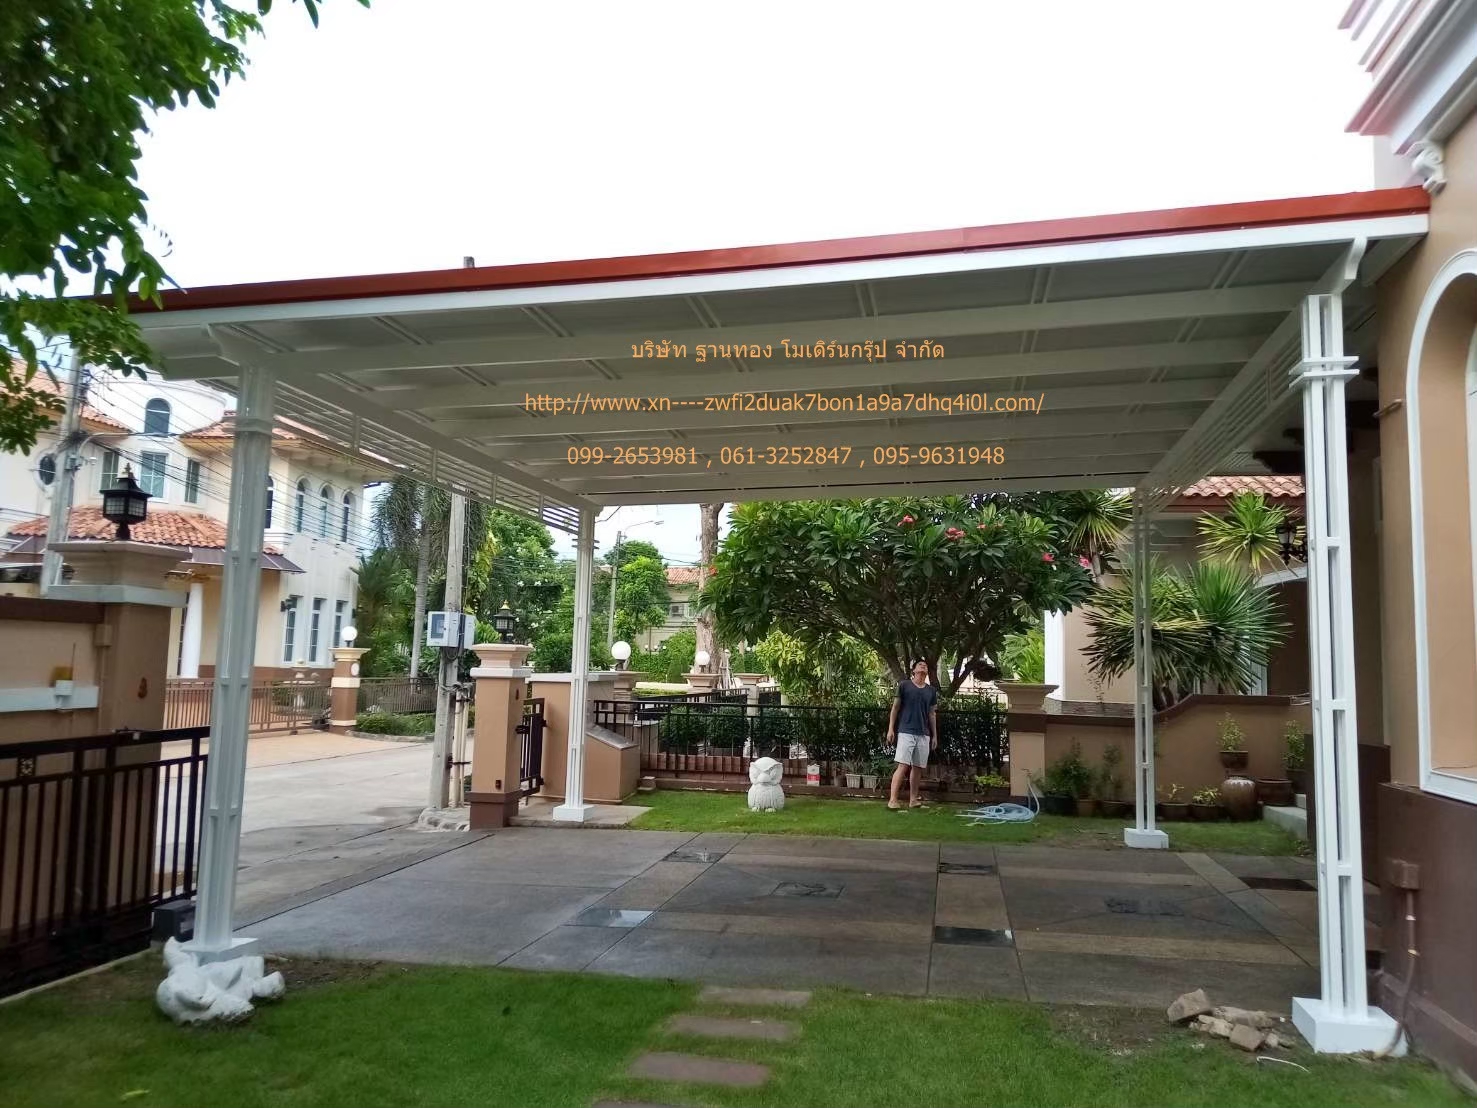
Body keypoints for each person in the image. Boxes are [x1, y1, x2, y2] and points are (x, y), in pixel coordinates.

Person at [886, 659, 939, 810]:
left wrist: (934, 735)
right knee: (903, 765)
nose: (923, 666)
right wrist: (891, 729)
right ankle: (893, 800)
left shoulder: (931, 691)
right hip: (906, 731)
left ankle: (913, 800)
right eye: (920, 665)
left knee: (917, 767)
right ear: (914, 670)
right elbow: (895, 708)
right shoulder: (904, 685)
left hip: (924, 734)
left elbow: (932, 714)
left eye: (925, 666)